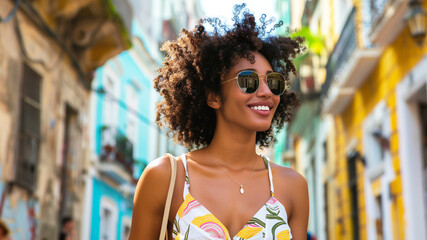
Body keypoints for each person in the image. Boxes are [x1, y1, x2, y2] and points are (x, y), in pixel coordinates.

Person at [129, 4, 309, 239]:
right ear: (213, 97)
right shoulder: (165, 178)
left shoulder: (292, 186)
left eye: (273, 82)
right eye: (248, 80)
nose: (266, 92)